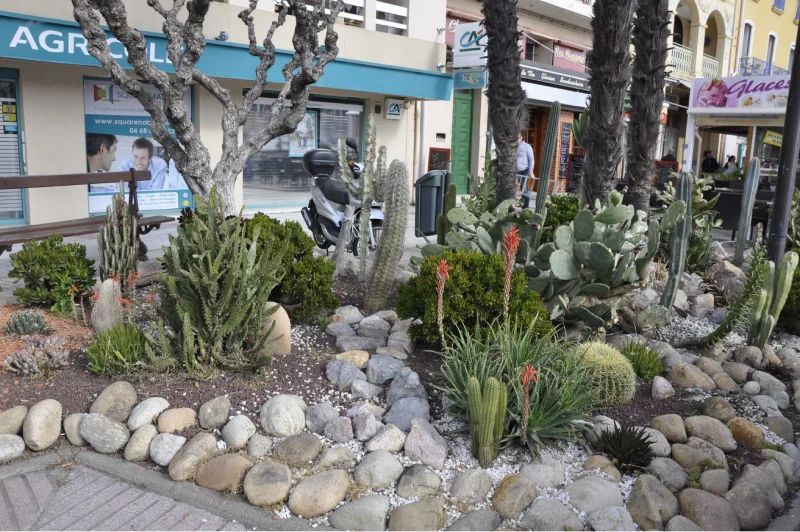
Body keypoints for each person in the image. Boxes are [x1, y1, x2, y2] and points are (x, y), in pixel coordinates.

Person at [517, 131, 535, 206]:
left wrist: (531, 171)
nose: (516, 140)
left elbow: (531, 159)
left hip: (524, 170)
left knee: (524, 189)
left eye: (517, 138)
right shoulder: (512, 146)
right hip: (514, 170)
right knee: (510, 189)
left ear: (521, 137)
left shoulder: (527, 146)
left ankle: (525, 207)